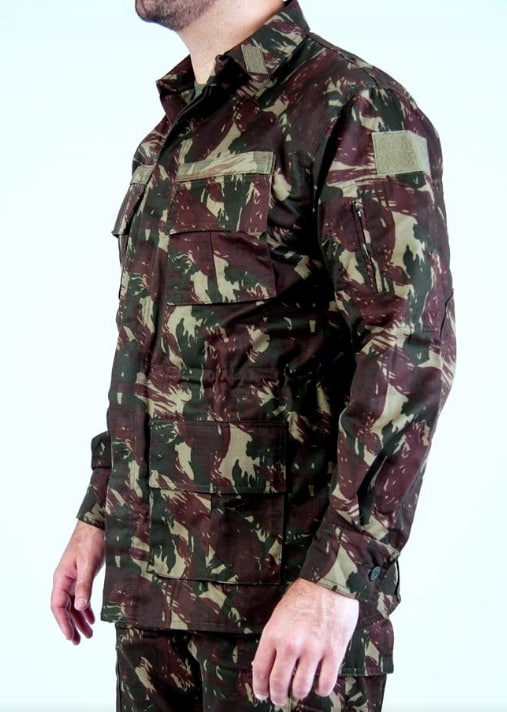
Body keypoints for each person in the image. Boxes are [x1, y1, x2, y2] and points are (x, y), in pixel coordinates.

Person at [51, 1, 456, 710]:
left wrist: (336, 579)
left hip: (281, 617)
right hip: (154, 599)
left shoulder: (352, 105)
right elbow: (154, 352)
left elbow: (409, 350)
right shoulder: (172, 134)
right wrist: (100, 509)